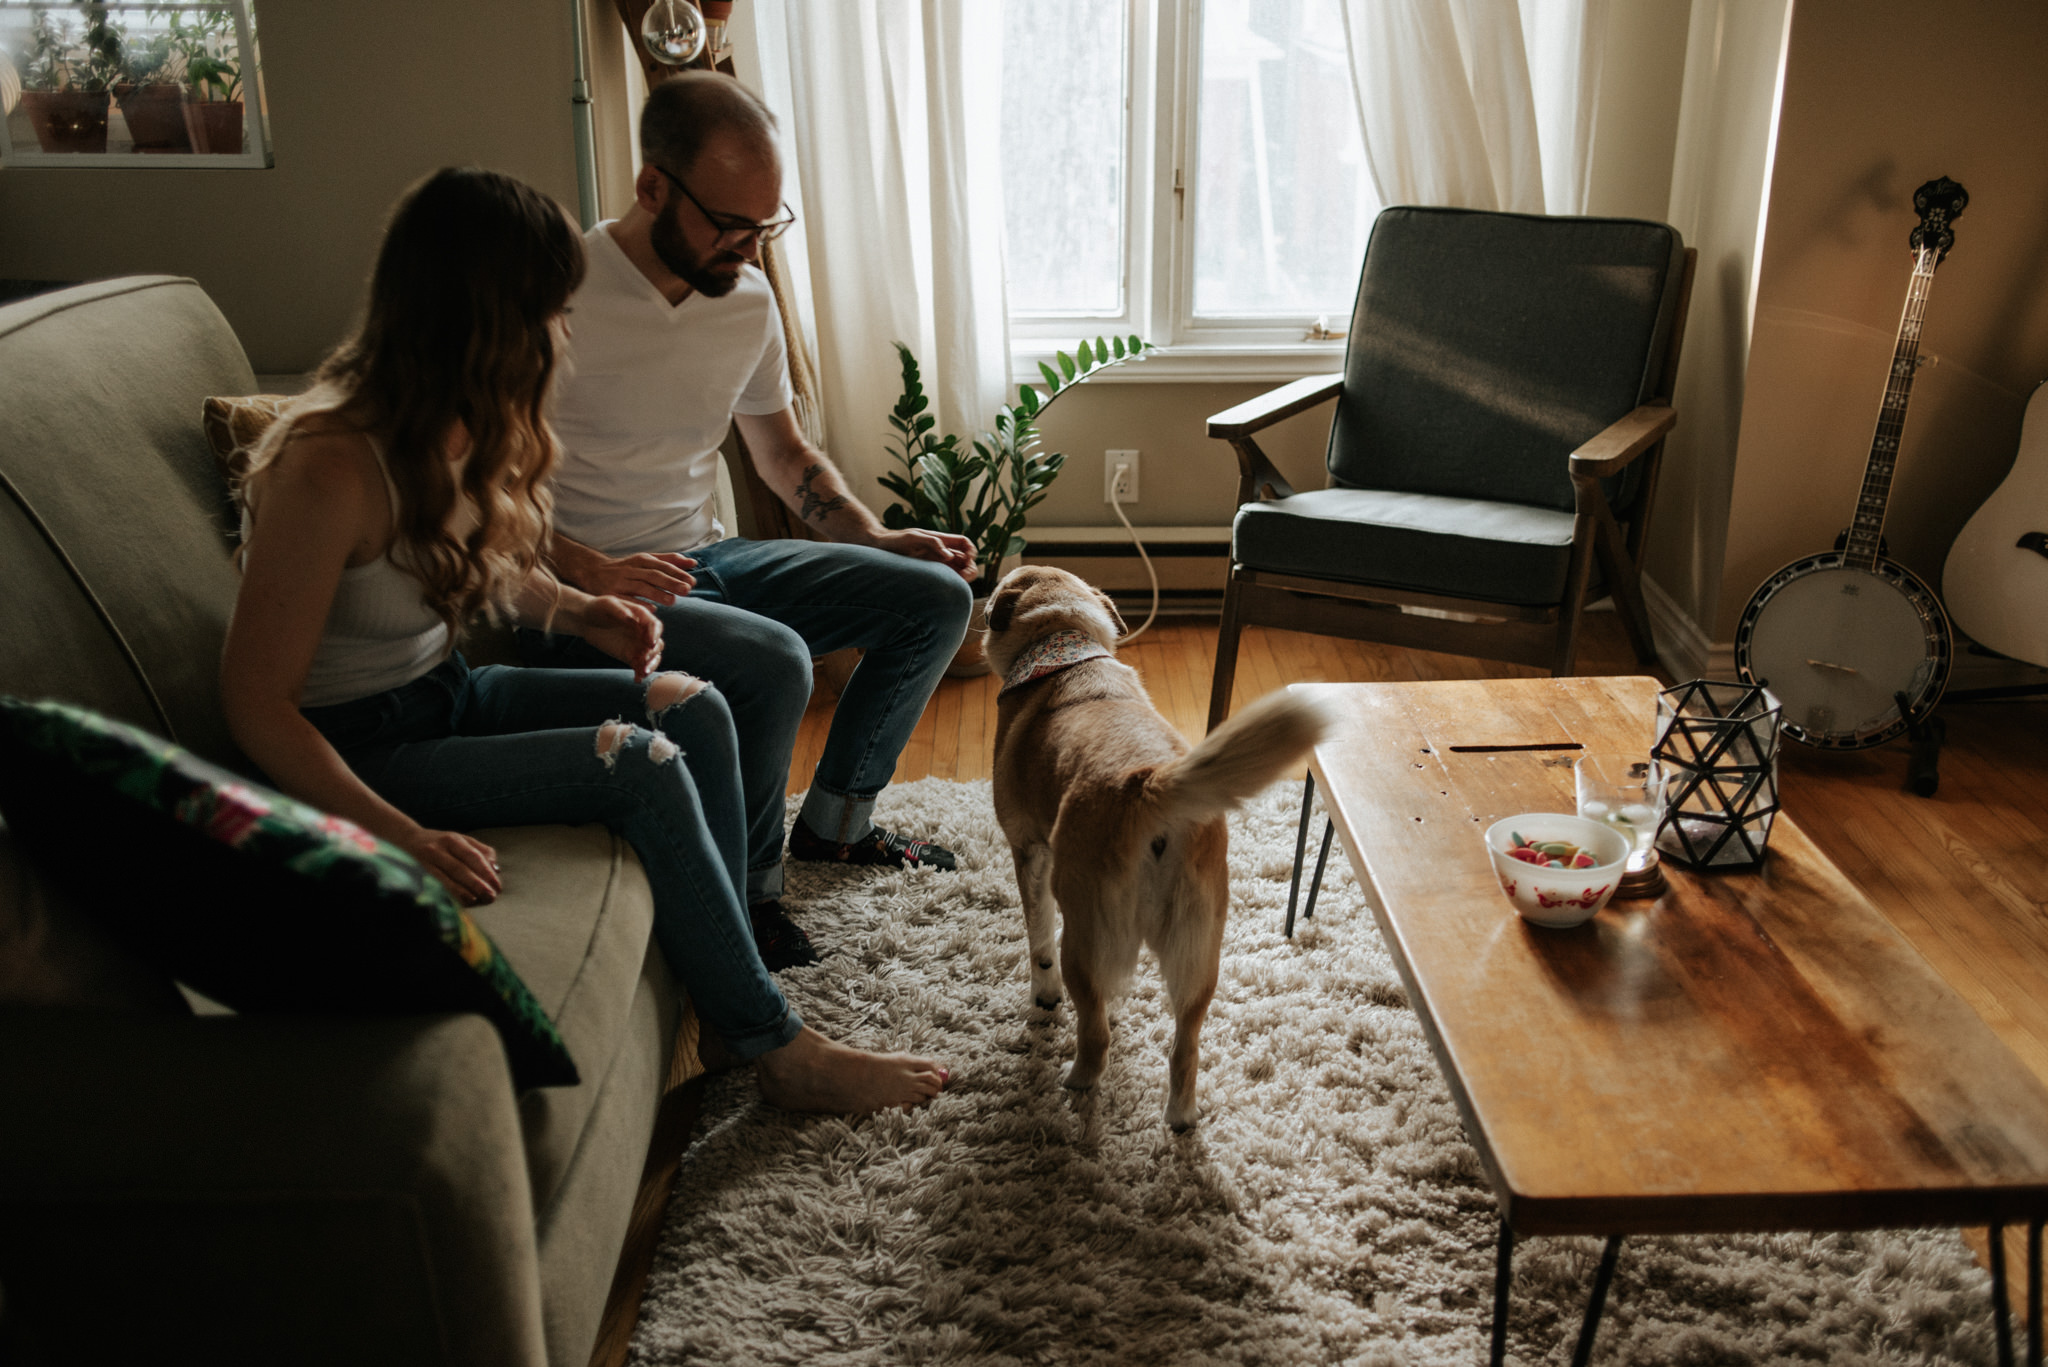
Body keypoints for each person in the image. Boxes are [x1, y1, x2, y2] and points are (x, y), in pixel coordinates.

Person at [219, 166, 947, 1114]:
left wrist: (577, 609)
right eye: (553, 314)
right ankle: (774, 1044)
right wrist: (397, 835)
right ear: (484, 319)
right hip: (366, 744)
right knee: (637, 760)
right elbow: (254, 700)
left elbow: (481, 556)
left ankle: (728, 996)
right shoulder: (326, 466)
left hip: (447, 692)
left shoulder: (460, 428)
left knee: (701, 708)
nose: (565, 334)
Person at [518, 72, 975, 969]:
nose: (747, 247)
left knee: (932, 599)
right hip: (586, 595)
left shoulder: (748, 300)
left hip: (705, 558)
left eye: (765, 226)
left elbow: (783, 457)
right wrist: (589, 569)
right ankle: (753, 890)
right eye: (729, 224)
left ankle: (837, 827)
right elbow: (485, 490)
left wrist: (876, 538)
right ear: (653, 187)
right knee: (776, 661)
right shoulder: (552, 295)